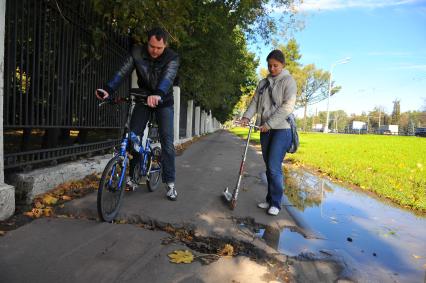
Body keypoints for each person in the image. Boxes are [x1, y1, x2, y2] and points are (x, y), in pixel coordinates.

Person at [95, 27, 179, 201]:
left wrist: (159, 94)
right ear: (147, 42)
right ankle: (133, 177)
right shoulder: (137, 53)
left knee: (167, 141)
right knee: (133, 136)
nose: (155, 50)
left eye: (159, 48)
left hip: (164, 101)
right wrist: (108, 89)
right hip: (143, 99)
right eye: (152, 46)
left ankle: (170, 184)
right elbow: (122, 71)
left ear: (165, 46)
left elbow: (168, 78)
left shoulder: (172, 57)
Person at [240, 49, 296, 215]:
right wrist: (246, 118)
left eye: (275, 66)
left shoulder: (289, 81)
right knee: (269, 165)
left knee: (273, 165)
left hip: (281, 129)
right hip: (264, 129)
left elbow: (287, 107)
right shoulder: (262, 83)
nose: (272, 69)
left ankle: (276, 204)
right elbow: (254, 102)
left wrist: (270, 123)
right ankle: (270, 199)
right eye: (270, 65)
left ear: (283, 65)